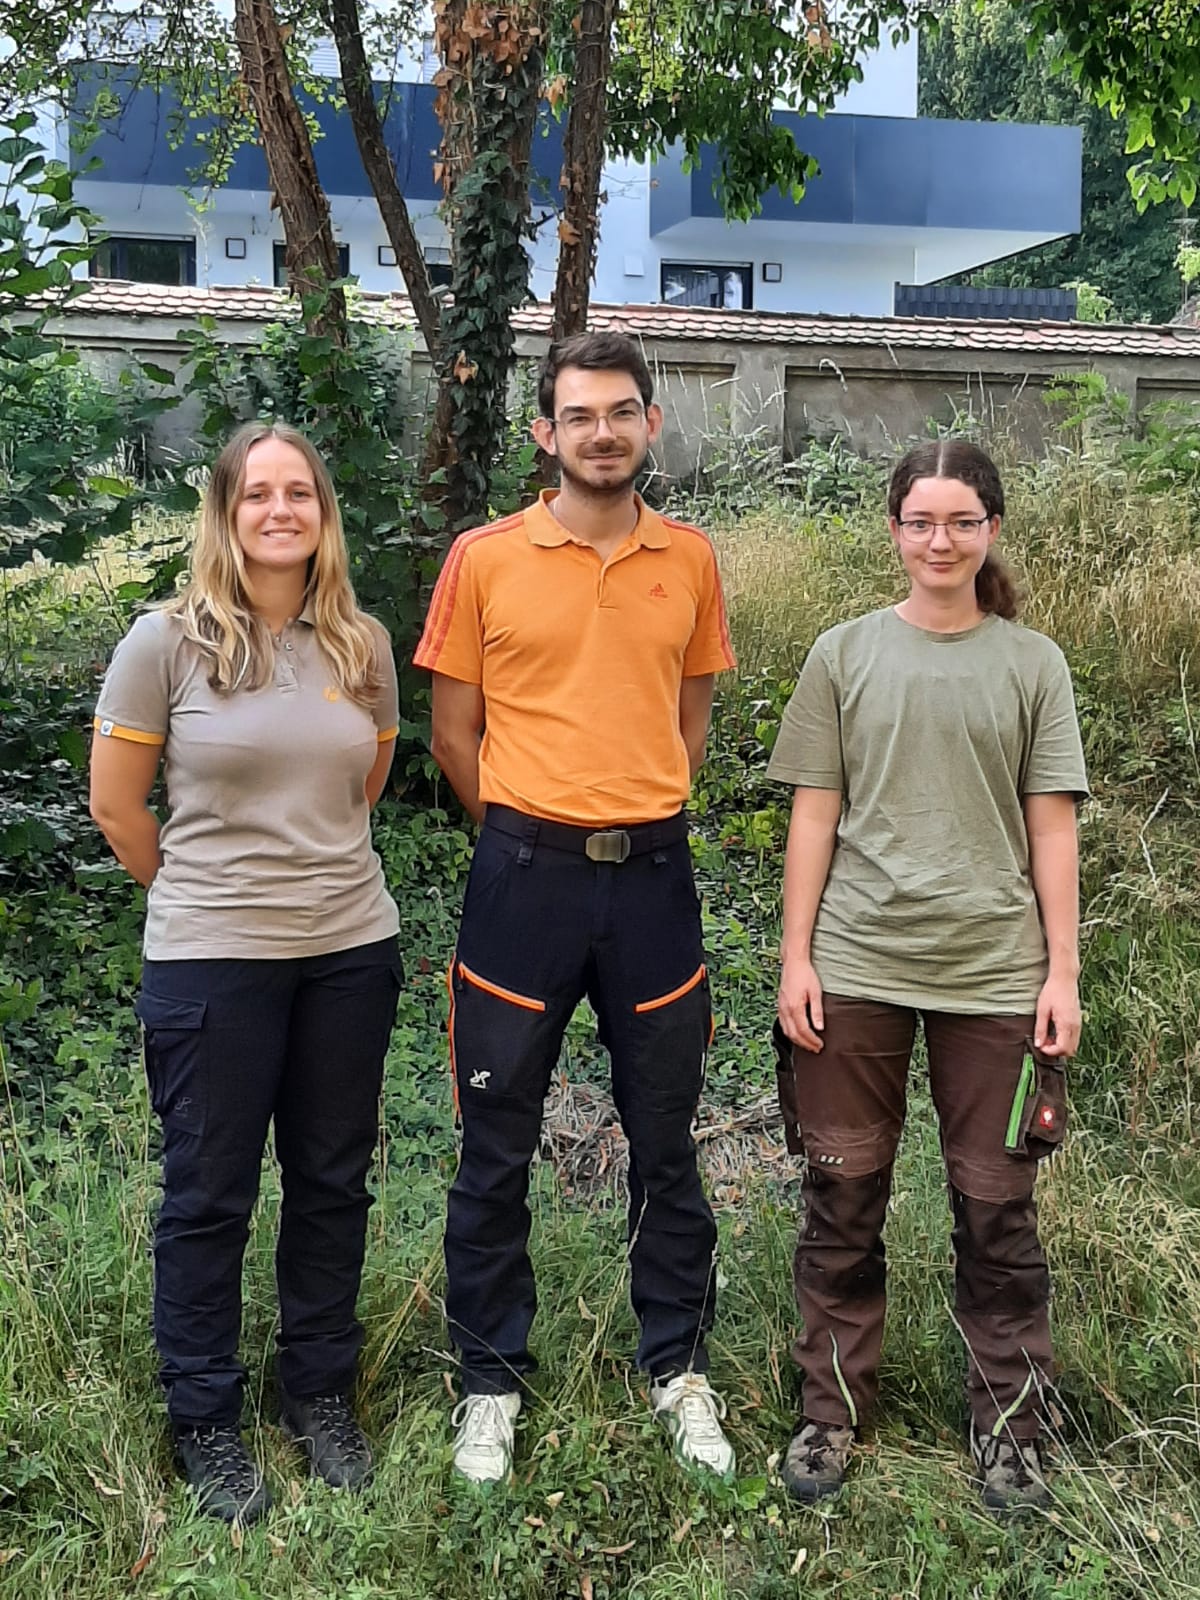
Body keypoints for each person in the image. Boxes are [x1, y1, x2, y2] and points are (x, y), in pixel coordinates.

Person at [414, 331, 738, 1484]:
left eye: (622, 412)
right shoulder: (486, 558)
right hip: (524, 883)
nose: (602, 432)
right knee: (494, 1142)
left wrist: (630, 806)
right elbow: (455, 735)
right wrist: (529, 826)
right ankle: (489, 1379)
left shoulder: (689, 560)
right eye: (579, 415)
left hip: (654, 883)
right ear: (545, 433)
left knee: (666, 1136)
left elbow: (687, 722)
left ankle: (678, 1369)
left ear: (652, 425)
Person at [89, 422, 403, 1524]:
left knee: (331, 1182)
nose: (281, 511)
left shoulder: (361, 643)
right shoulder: (163, 643)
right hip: (212, 963)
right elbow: (117, 810)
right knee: (210, 1196)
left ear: (324, 513)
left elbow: (367, 781)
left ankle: (317, 1390)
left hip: (350, 955)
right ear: (224, 514)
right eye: (257, 494)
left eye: (301, 493)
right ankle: (206, 1416)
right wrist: (209, 893)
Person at [768, 439, 1088, 1512]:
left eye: (961, 521)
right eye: (920, 521)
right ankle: (830, 1414)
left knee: (997, 1210)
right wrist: (797, 956)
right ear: (894, 530)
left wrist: (1062, 970)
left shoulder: (1031, 662)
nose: (940, 540)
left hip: (996, 974)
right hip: (856, 964)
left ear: (991, 529)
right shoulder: (845, 653)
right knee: (842, 1194)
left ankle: (1010, 1426)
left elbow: (1052, 828)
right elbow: (814, 812)